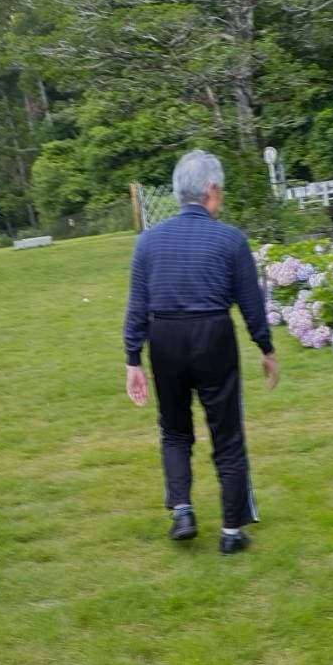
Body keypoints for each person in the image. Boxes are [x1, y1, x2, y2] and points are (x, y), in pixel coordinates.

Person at [124, 150, 279, 554]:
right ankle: (231, 531)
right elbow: (250, 302)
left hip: (165, 338)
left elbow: (137, 305)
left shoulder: (148, 242)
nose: (222, 196)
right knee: (226, 432)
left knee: (174, 429)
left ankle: (183, 511)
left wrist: (132, 360)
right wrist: (266, 348)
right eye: (221, 190)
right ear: (210, 190)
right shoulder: (230, 240)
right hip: (213, 335)